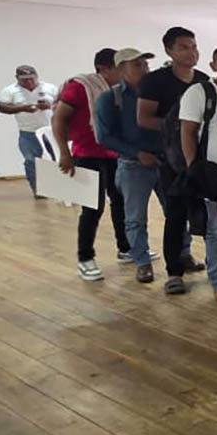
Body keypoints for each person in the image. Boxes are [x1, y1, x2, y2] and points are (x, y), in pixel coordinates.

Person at [136, 26, 208, 294]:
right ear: (169, 51)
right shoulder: (155, 81)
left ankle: (215, 266)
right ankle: (174, 273)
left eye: (193, 46)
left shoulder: (202, 81)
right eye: (184, 47)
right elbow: (144, 118)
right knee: (176, 215)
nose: (192, 52)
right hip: (172, 160)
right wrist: (181, 128)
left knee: (207, 215)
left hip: (201, 158)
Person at [52, 48, 131, 280]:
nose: (124, 72)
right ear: (103, 69)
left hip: (113, 154)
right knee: (93, 208)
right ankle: (85, 258)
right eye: (119, 68)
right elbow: (59, 119)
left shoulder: (118, 90)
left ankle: (125, 248)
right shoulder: (80, 87)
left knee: (120, 202)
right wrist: (64, 153)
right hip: (87, 154)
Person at [94, 49, 164, 285]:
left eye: (146, 64)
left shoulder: (156, 94)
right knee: (135, 217)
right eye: (138, 65)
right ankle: (142, 262)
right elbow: (104, 136)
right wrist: (138, 153)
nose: (145, 69)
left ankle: (183, 256)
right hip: (133, 165)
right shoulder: (110, 99)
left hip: (164, 161)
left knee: (176, 212)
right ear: (122, 70)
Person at [179, 45, 217, 304]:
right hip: (215, 177)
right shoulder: (200, 93)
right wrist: (195, 170)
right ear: (213, 66)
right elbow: (188, 131)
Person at [0, 65, 58, 197]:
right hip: (28, 132)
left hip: (51, 130)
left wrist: (50, 106)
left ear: (37, 76)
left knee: (57, 159)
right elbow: (3, 107)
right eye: (25, 79)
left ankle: (59, 187)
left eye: (32, 78)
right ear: (17, 79)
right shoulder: (10, 90)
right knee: (31, 161)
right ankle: (38, 189)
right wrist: (22, 108)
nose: (29, 82)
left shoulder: (49, 88)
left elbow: (63, 103)